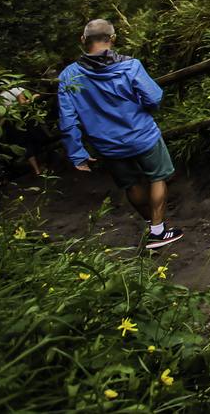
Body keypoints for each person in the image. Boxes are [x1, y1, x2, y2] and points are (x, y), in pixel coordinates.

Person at [57, 19, 184, 249]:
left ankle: (152, 225)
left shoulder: (69, 76)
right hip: (142, 135)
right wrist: (143, 108)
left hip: (108, 145)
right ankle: (158, 231)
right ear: (112, 39)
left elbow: (67, 120)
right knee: (157, 177)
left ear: (83, 40)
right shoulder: (130, 66)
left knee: (131, 185)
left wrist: (77, 152)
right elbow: (154, 98)